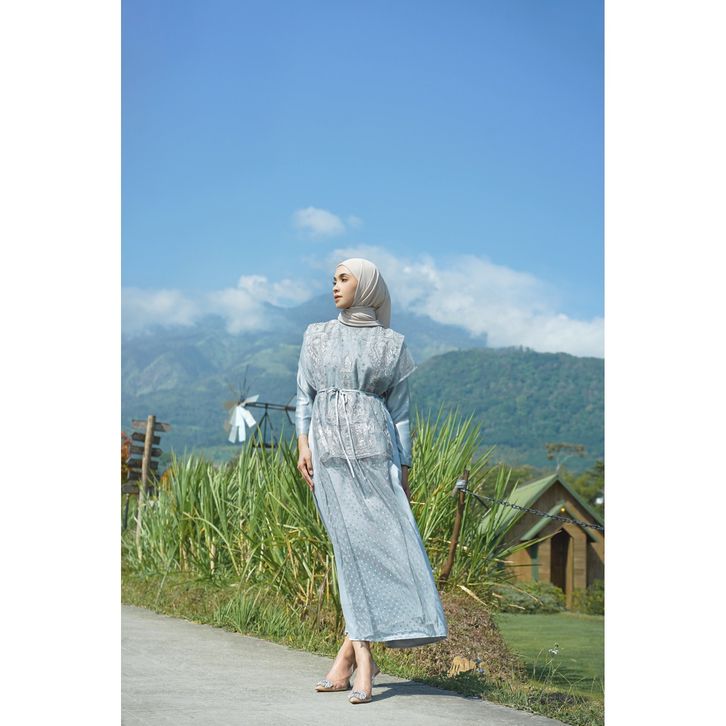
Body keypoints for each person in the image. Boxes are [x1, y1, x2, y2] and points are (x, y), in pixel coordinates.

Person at [295, 257, 448, 705]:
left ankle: (351, 659)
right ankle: (361, 659)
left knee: (386, 553)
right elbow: (303, 395)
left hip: (376, 456)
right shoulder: (316, 335)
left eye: (344, 278)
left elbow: (400, 414)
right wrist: (303, 443)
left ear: (367, 286)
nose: (335, 285)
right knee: (349, 552)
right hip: (328, 457)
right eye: (333, 279)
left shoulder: (391, 345)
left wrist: (404, 468)